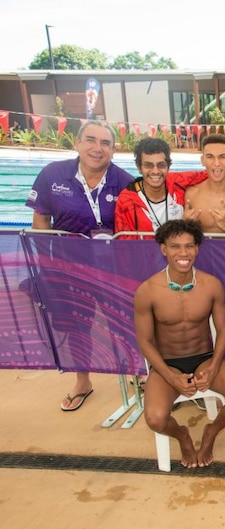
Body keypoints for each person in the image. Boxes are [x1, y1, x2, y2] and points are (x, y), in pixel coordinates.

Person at [25, 121, 134, 411]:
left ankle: (137, 373)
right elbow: (40, 222)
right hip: (69, 268)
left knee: (124, 324)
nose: (97, 148)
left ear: (113, 149)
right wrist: (47, 264)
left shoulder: (124, 181)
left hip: (113, 269)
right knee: (77, 326)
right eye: (91, 140)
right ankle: (82, 380)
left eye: (105, 143)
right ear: (77, 143)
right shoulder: (53, 175)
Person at [134, 219, 225, 468]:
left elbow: (222, 330)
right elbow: (144, 342)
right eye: (175, 246)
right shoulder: (148, 290)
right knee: (155, 418)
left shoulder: (211, 285)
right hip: (168, 363)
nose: (183, 253)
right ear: (163, 249)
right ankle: (183, 437)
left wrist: (214, 367)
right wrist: (170, 377)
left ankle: (212, 431)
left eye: (189, 246)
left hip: (205, 358)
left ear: (197, 248)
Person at [114, 138, 185, 237]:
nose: (155, 171)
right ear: (139, 167)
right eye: (148, 165)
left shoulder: (180, 189)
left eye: (161, 165)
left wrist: (187, 225)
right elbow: (124, 245)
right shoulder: (126, 200)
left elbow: (207, 174)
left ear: (168, 166)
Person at [184, 134, 225, 234]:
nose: (216, 163)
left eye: (222, 157)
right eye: (210, 157)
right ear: (202, 160)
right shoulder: (191, 194)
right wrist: (186, 225)